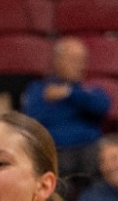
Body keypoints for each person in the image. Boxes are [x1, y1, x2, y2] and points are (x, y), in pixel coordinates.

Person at [21, 37, 110, 178]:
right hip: (57, 150)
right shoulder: (40, 89)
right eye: (74, 60)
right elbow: (34, 117)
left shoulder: (89, 90)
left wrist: (69, 93)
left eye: (83, 61)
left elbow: (101, 106)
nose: (81, 66)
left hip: (88, 150)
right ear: (57, 61)